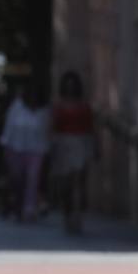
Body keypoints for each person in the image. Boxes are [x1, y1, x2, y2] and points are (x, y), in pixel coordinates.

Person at [49, 71, 95, 234]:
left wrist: (94, 147)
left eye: (72, 85)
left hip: (81, 143)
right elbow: (54, 126)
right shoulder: (59, 106)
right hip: (63, 144)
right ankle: (68, 214)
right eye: (67, 85)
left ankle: (78, 215)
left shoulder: (84, 106)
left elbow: (90, 127)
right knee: (67, 184)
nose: (70, 88)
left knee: (79, 182)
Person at [0, 81, 51, 221]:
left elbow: (46, 131)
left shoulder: (44, 111)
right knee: (17, 179)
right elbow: (9, 127)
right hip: (15, 148)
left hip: (36, 149)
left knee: (32, 179)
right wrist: (5, 145)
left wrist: (47, 150)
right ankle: (17, 205)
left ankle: (29, 208)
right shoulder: (17, 107)